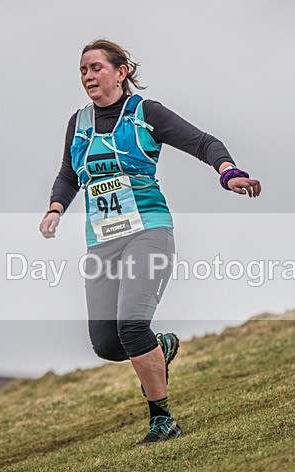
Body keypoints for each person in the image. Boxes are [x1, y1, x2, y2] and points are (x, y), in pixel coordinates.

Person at [39, 39, 260, 446]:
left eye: (96, 68)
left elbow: (202, 142)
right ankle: (160, 347)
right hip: (102, 242)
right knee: (108, 344)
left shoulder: (145, 113)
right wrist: (55, 208)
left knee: (131, 324)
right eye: (83, 70)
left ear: (121, 72)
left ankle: (163, 419)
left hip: (148, 231)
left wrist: (228, 171)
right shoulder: (79, 122)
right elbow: (69, 174)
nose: (88, 76)